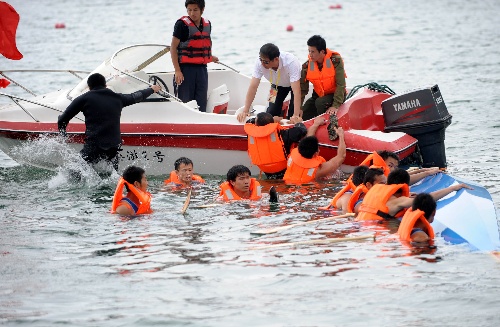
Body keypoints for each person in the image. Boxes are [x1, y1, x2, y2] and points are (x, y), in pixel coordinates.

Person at [57, 73, 161, 171]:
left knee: (76, 170)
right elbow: (136, 96)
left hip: (94, 145)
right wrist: (152, 89)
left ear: (89, 87)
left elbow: (63, 119)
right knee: (113, 175)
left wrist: (63, 134)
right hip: (114, 146)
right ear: (105, 85)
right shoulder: (118, 98)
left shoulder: (83, 99)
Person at [356, 168, 472, 221]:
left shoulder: (375, 190)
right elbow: (426, 199)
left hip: (360, 224)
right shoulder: (398, 201)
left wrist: (424, 172)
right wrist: (453, 188)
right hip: (375, 230)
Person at [244, 113, 327, 179]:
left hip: (266, 172)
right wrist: (298, 122)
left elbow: (249, 122)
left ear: (256, 124)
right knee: (306, 141)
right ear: (272, 123)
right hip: (286, 171)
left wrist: (272, 119)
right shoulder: (283, 134)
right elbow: (302, 130)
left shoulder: (251, 133)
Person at [171, 0, 218, 112]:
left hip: (202, 70)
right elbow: (173, 48)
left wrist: (210, 57)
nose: (192, 13)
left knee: (201, 103)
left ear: (202, 9)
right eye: (189, 10)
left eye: (195, 10)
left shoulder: (207, 24)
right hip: (186, 70)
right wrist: (177, 70)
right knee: (186, 103)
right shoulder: (181, 25)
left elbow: (202, 44)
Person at [237, 43, 302, 123]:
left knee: (293, 114)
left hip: (296, 83)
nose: (262, 64)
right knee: (270, 112)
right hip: (276, 84)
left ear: (276, 59)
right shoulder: (259, 63)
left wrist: (295, 115)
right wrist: (245, 110)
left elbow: (296, 91)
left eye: (266, 62)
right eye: (261, 60)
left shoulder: (291, 62)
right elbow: (253, 86)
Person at [300, 35, 347, 121]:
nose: (310, 54)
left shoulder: (335, 61)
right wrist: (298, 108)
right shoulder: (306, 66)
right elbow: (303, 89)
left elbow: (341, 84)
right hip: (318, 95)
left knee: (320, 102)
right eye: (309, 51)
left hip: (335, 95)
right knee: (305, 109)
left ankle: (324, 122)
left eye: (313, 52)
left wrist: (335, 105)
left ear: (322, 52)